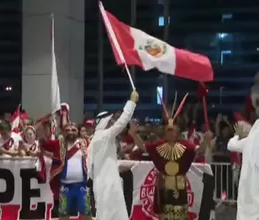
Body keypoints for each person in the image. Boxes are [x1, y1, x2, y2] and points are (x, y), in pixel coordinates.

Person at [130, 93, 198, 220]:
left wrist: (206, 141)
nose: (170, 132)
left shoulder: (185, 145)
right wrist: (134, 135)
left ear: (178, 132)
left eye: (172, 130)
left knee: (181, 214)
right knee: (164, 215)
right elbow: (144, 147)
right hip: (164, 185)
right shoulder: (159, 145)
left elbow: (199, 150)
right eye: (168, 130)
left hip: (180, 185)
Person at [87, 90, 139, 220]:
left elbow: (89, 167)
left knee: (105, 214)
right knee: (113, 215)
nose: (112, 124)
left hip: (101, 184)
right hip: (108, 184)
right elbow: (122, 122)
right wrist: (132, 102)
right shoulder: (104, 136)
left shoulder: (94, 139)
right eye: (110, 121)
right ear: (104, 122)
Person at [41, 123, 92, 220]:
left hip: (81, 186)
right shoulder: (58, 144)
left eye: (73, 130)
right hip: (65, 186)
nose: (70, 132)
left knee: (86, 212)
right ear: (64, 132)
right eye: (67, 130)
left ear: (78, 131)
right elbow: (43, 144)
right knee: (63, 214)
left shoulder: (84, 143)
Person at [227, 116, 259, 220]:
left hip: (247, 190)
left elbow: (231, 145)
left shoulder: (248, 142)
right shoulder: (248, 142)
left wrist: (236, 136)